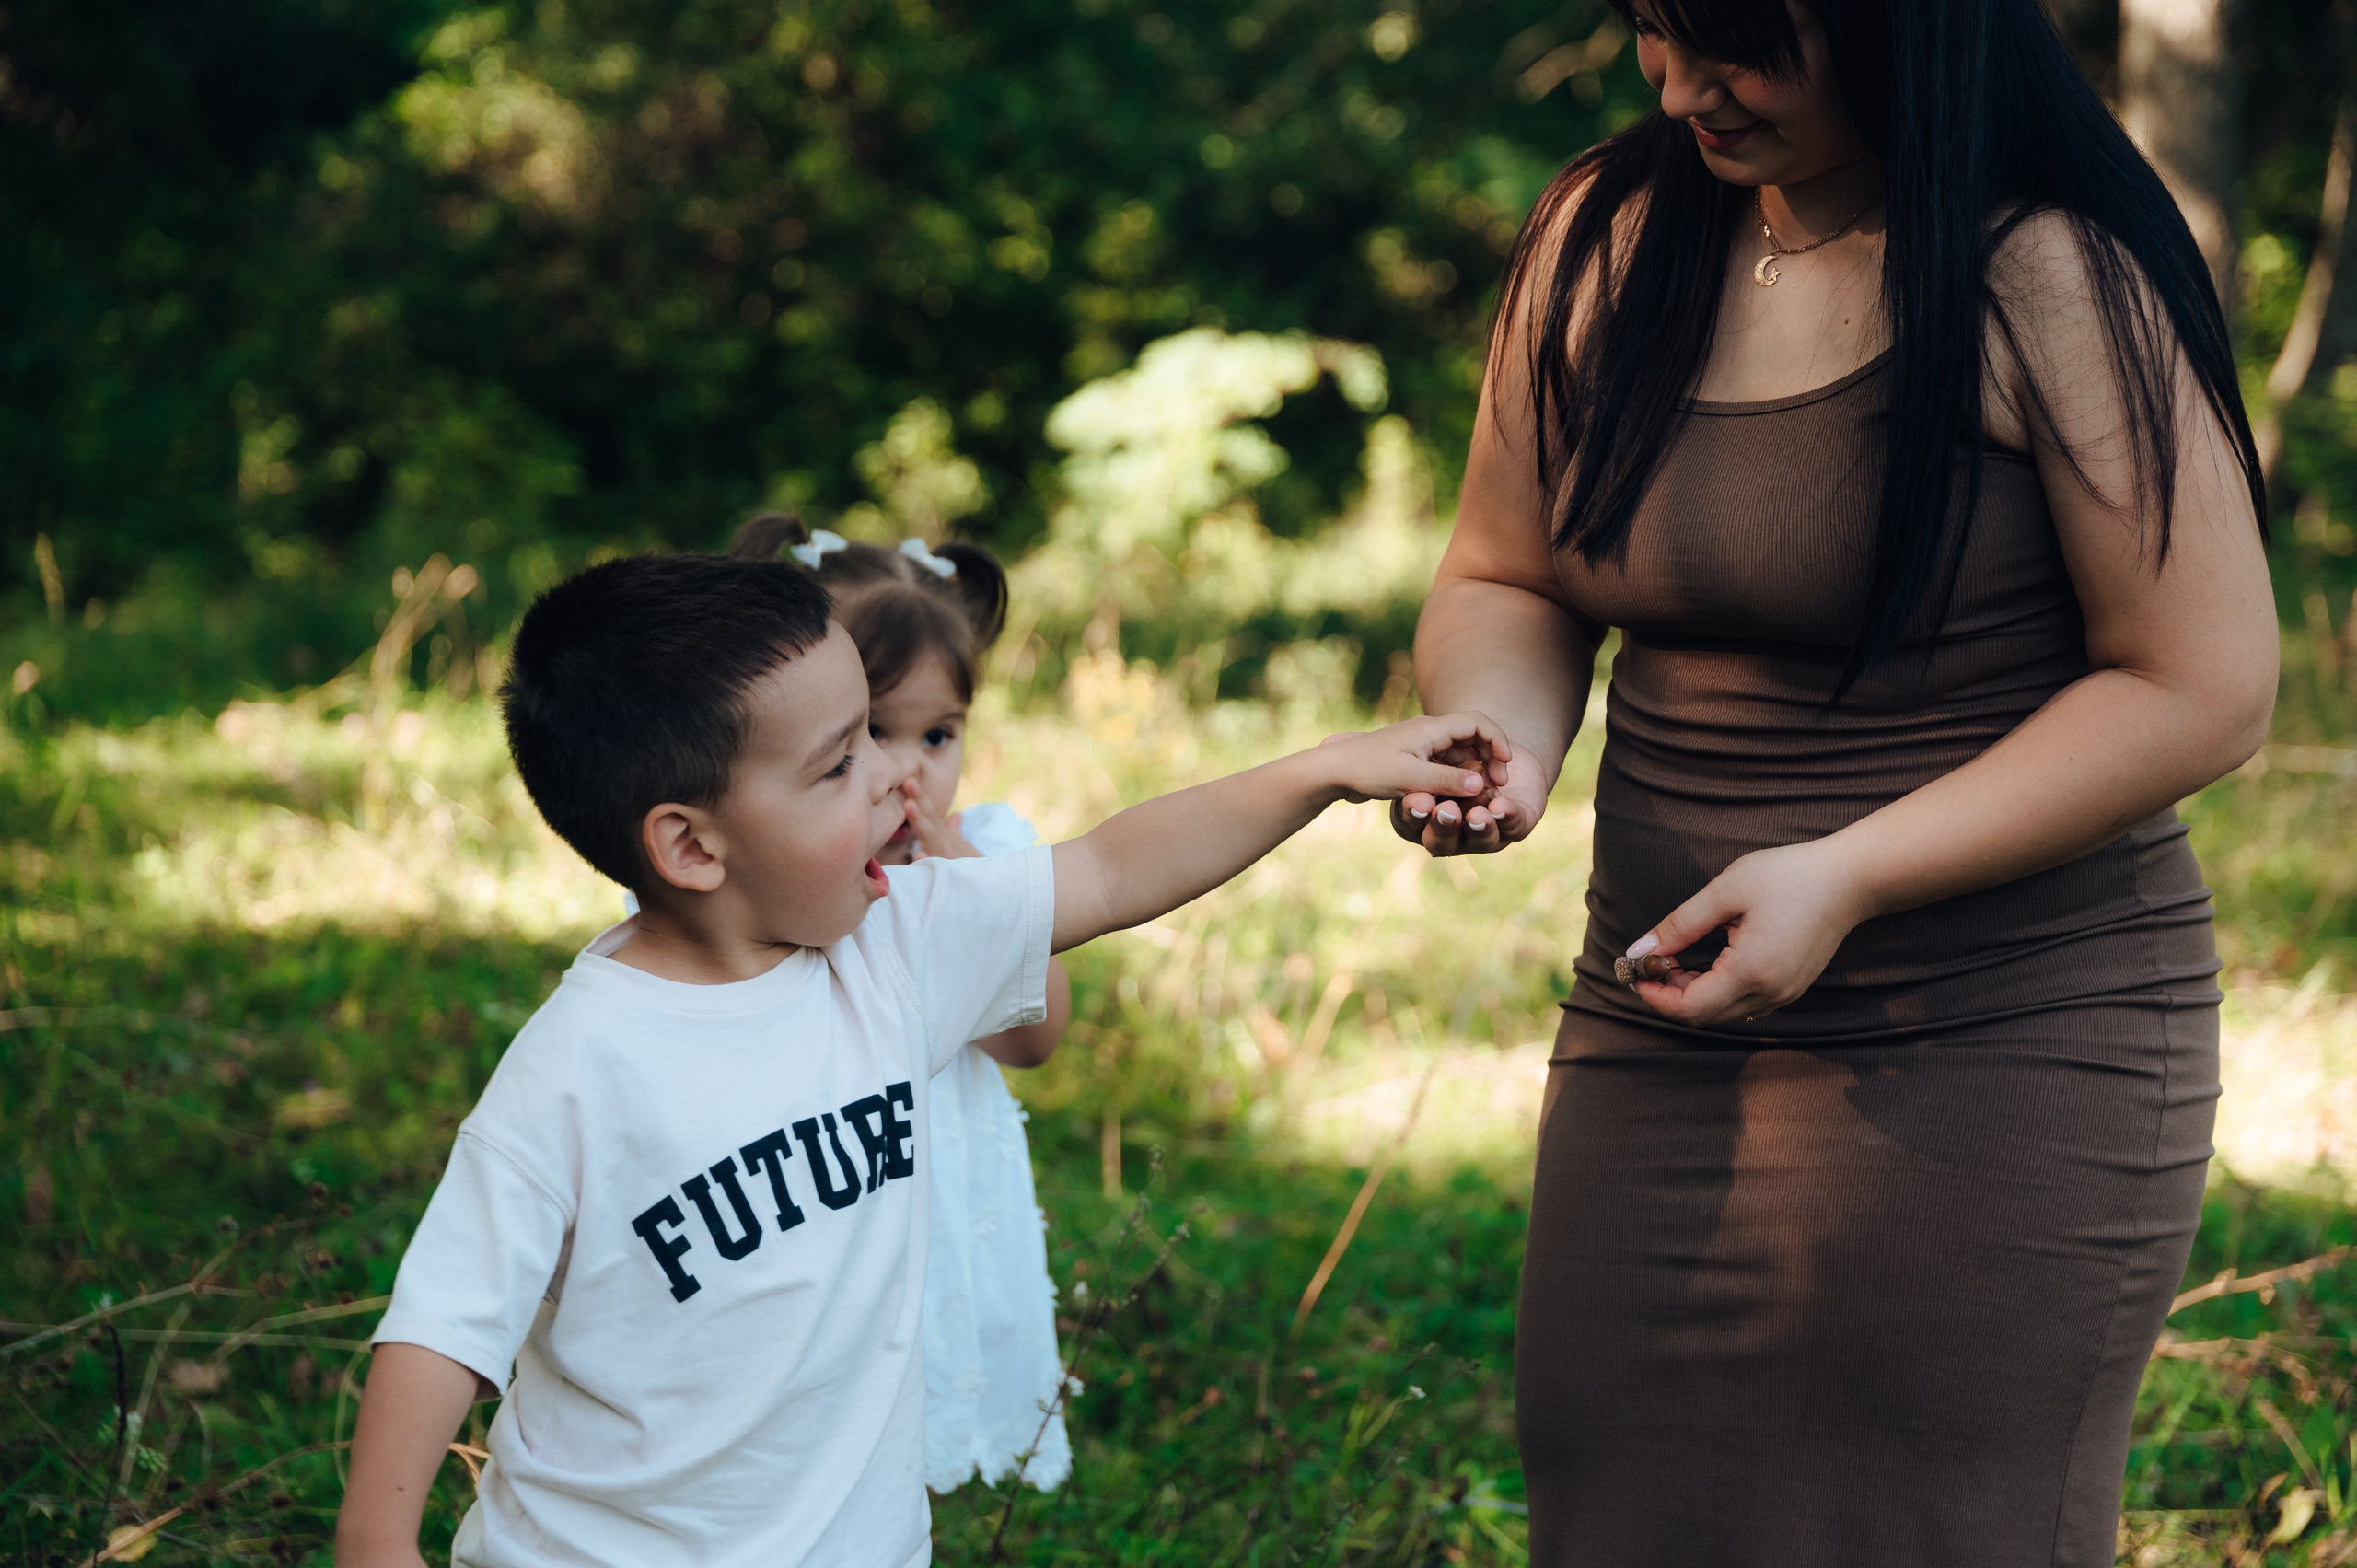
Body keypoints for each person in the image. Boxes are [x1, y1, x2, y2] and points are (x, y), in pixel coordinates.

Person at [1394, 0, 2279, 1561]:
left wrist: (1848, 872)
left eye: (1738, 42)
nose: (1682, 92)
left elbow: (2200, 686)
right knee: (1622, 1498)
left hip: (1996, 1034)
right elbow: (1505, 571)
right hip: (1659, 1011)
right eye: (1654, 32)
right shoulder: (1605, 237)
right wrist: (1503, 733)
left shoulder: (2053, 274)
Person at [333, 550, 1506, 1568]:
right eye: (840, 761)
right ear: (691, 844)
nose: (902, 779)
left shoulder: (892, 945)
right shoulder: (580, 1068)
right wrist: (377, 1541)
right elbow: (444, 1325)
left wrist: (1324, 768)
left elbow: (1107, 868)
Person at [729, 511, 1074, 1493]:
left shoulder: (988, 852)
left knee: (917, 1388)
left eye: (939, 732)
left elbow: (1036, 1036)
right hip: (810, 1184)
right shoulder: (764, 868)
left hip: (939, 1182)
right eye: (872, 731)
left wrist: (967, 884)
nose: (911, 766)